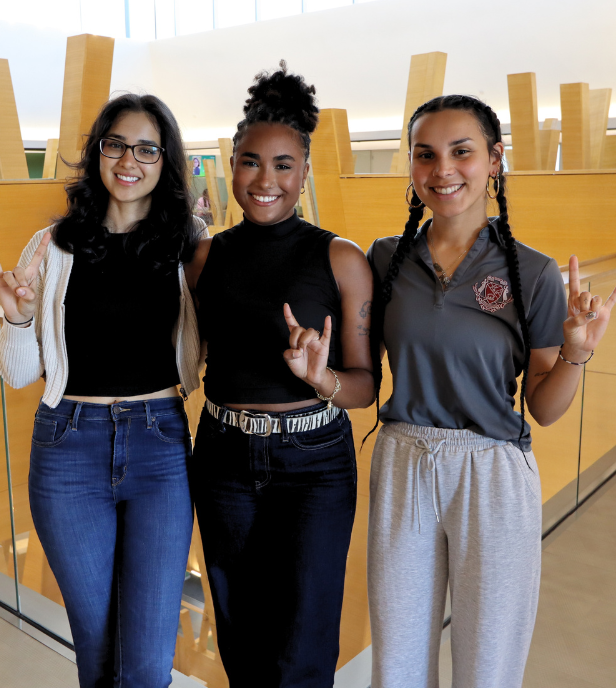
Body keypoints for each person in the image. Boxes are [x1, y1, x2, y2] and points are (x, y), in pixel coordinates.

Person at [365, 95, 616, 688]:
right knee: (398, 654)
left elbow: (545, 406)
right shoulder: (386, 259)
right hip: (404, 461)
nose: (443, 170)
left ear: (494, 161)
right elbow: (361, 373)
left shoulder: (530, 272)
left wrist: (577, 353)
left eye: (462, 152)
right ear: (411, 167)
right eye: (425, 155)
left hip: (492, 469)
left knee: (489, 658)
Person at [0, 93, 204, 688]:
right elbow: (15, 373)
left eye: (146, 148)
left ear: (165, 161)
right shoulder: (52, 245)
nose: (128, 160)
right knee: (98, 648)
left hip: (161, 445)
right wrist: (17, 317)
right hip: (68, 447)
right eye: (116, 144)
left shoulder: (189, 243)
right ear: (98, 153)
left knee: (145, 659)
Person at [184, 62, 375, 687]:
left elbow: (365, 386)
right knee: (241, 634)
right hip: (222, 456)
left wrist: (322, 380)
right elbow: (184, 352)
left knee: (305, 640)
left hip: (314, 461)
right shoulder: (206, 255)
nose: (265, 179)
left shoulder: (340, 258)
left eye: (283, 164)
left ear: (304, 172)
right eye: (249, 161)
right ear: (231, 163)